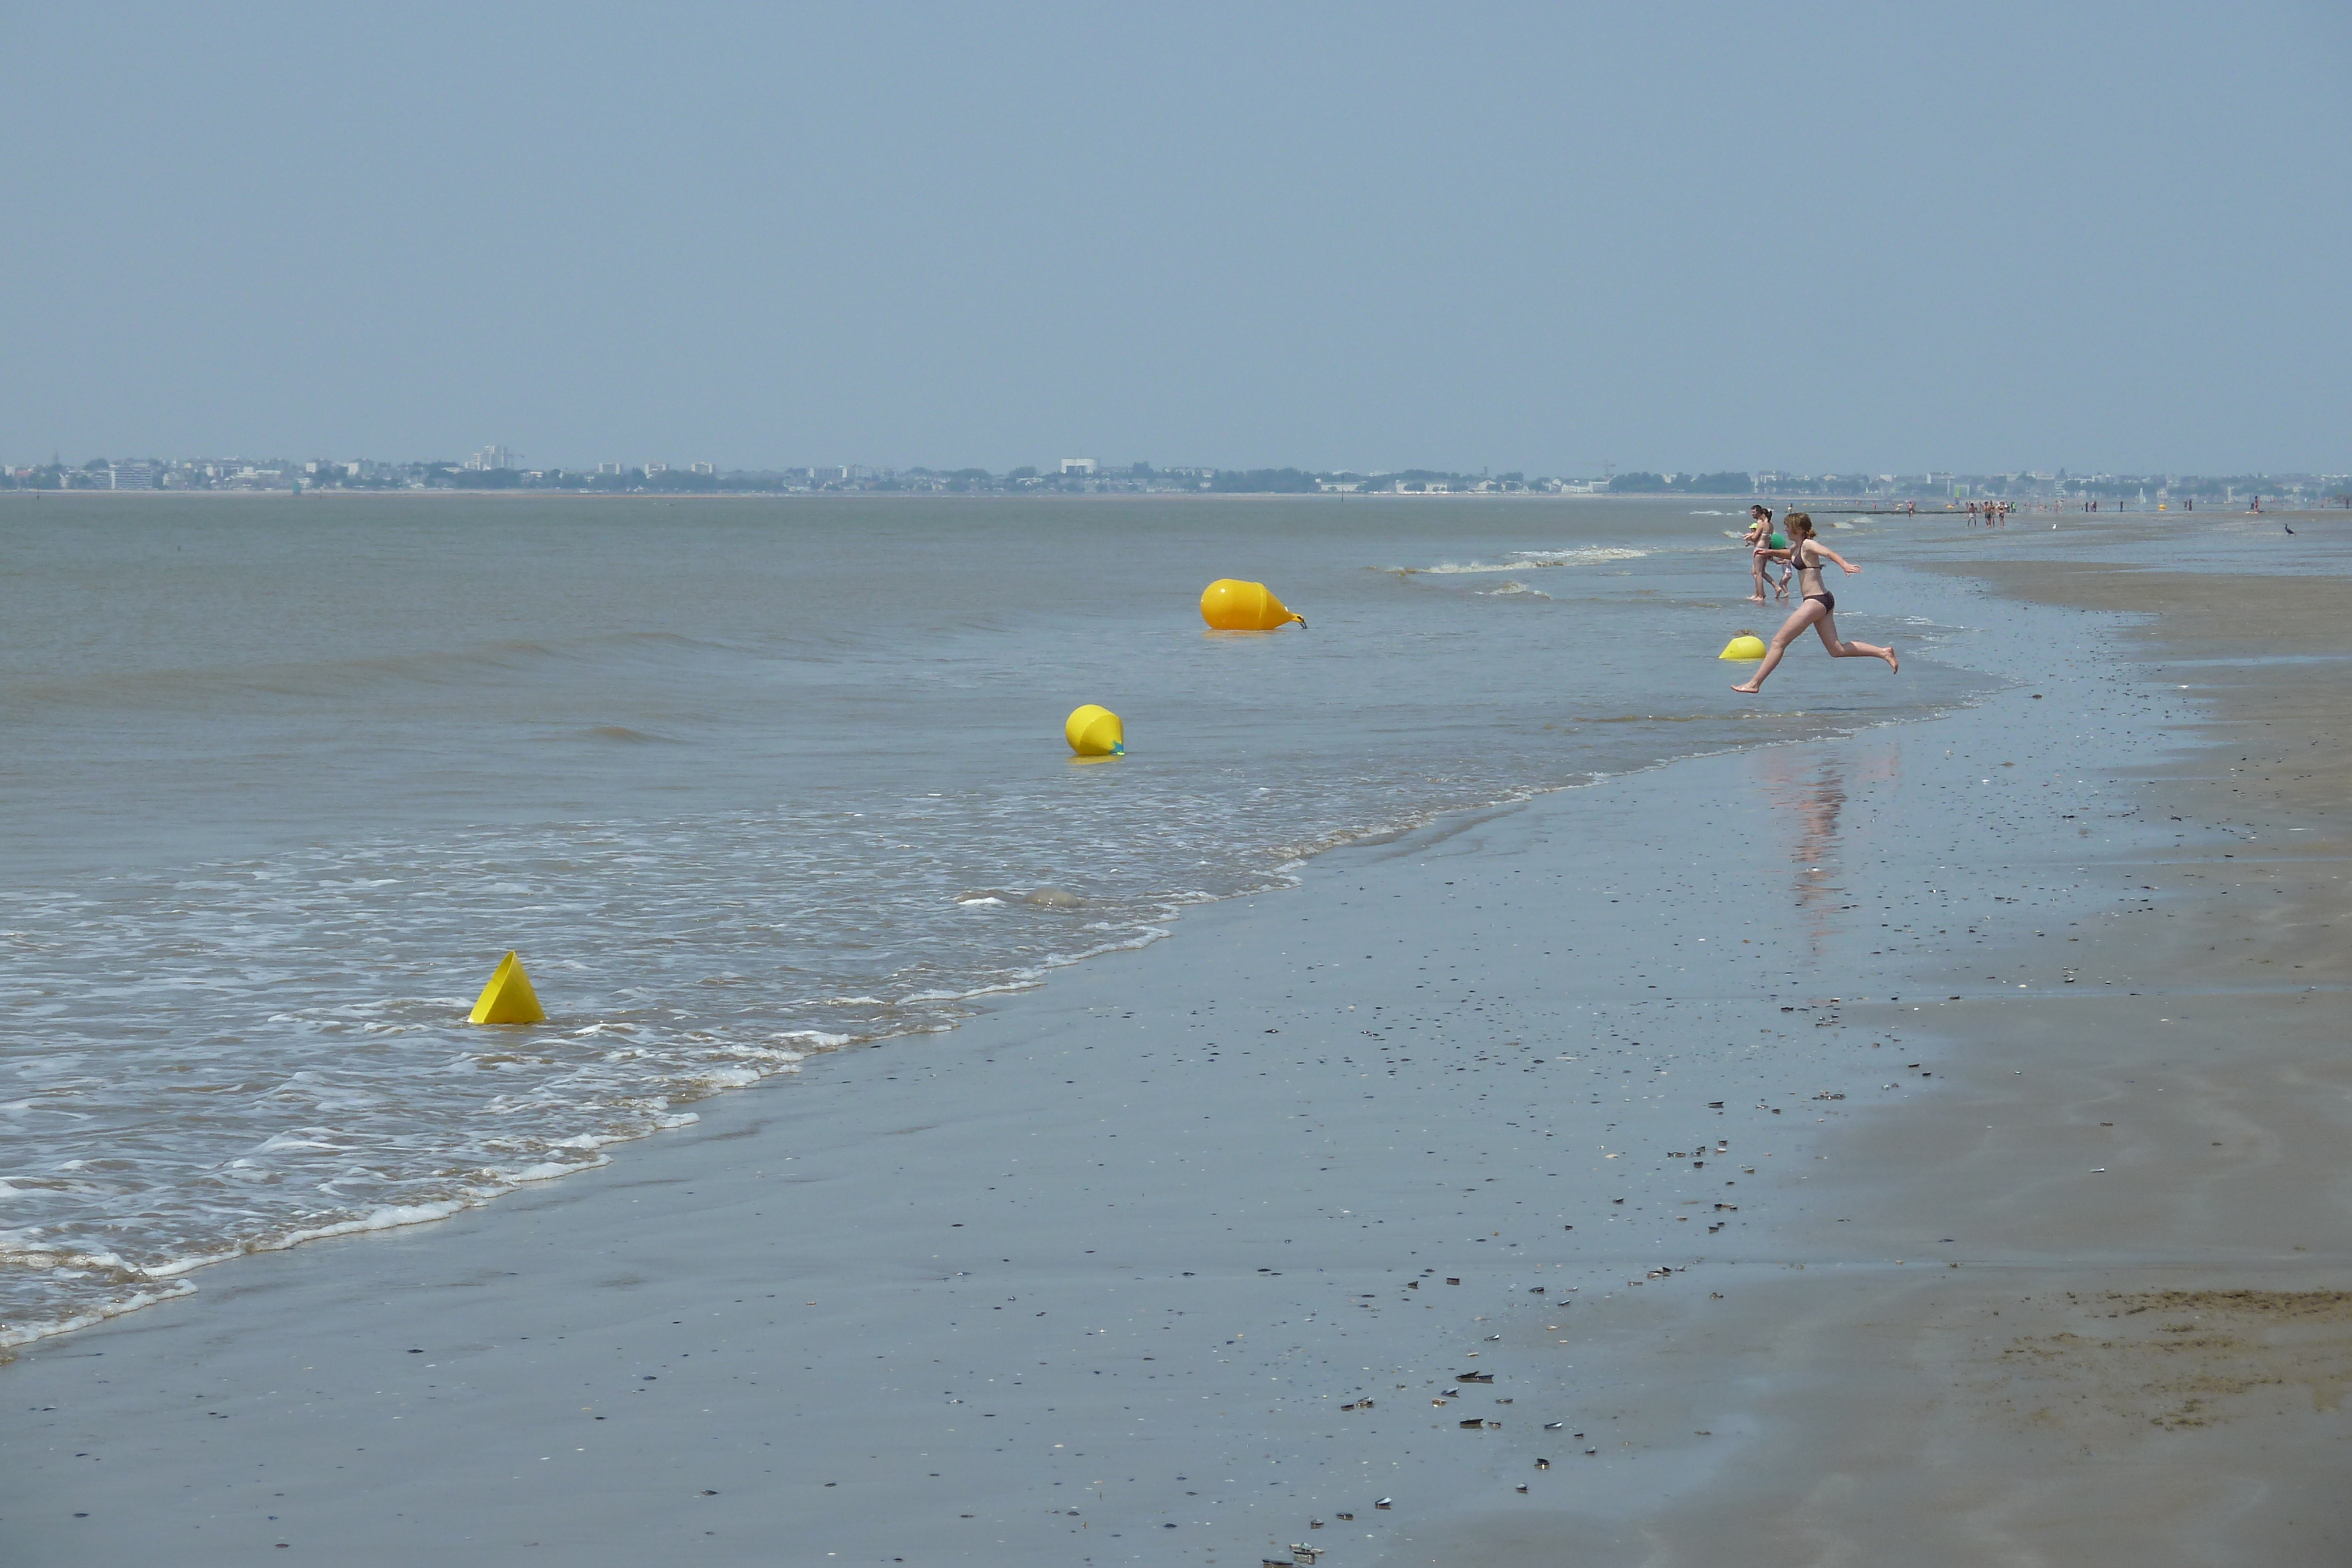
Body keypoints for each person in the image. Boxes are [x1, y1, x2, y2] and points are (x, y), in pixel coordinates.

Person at [1732, 513, 1898, 694]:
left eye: (1788, 526)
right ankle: (1883, 652)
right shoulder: (1799, 547)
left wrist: (1844, 565)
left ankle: (1755, 684)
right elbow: (1791, 554)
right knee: (1837, 650)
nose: (1786, 529)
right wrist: (1769, 552)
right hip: (1823, 600)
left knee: (1778, 642)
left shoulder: (1809, 544)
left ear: (1799, 529)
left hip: (1815, 602)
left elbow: (1827, 552)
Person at [1742, 504, 1790, 603]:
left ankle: (1761, 596)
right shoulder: (1771, 526)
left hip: (1759, 549)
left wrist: (1749, 537)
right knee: (1761, 572)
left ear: (1763, 514)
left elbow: (1755, 538)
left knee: (1758, 573)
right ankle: (1766, 591)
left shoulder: (1763, 524)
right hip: (1766, 549)